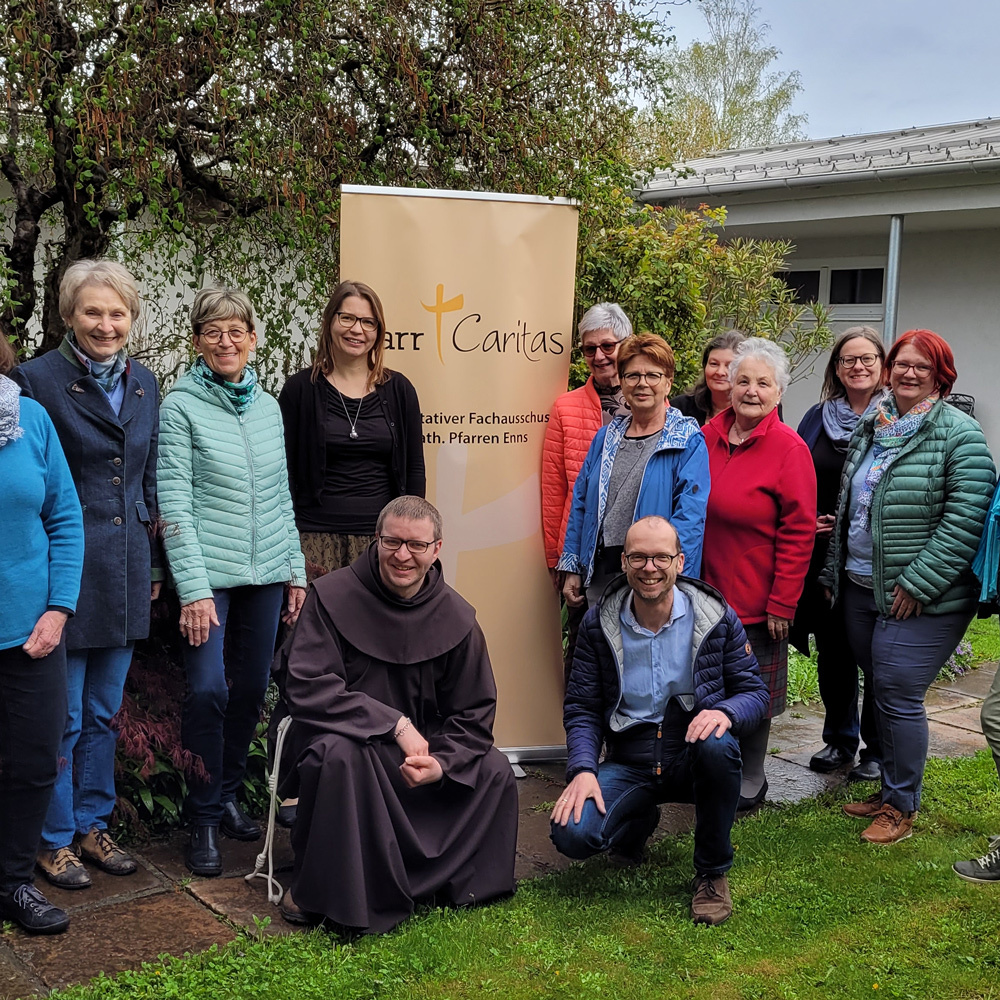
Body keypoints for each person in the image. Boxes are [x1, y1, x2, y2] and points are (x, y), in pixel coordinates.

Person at [272, 496, 518, 934]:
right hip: (346, 738)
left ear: (437, 549)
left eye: (416, 546)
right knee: (339, 757)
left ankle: (438, 880)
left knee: (496, 769)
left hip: (418, 755)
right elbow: (308, 685)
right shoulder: (332, 597)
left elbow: (474, 711)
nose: (402, 555)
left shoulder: (458, 618)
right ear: (377, 540)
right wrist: (393, 723)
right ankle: (326, 888)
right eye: (392, 542)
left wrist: (442, 762)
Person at [12, 260, 162, 890]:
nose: (106, 324)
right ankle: (51, 840)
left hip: (127, 570)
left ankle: (92, 826)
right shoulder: (35, 381)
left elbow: (147, 476)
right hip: (64, 575)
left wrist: (155, 562)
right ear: (69, 315)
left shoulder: (146, 383)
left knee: (103, 713)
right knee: (63, 718)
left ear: (132, 319)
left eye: (117, 313)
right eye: (93, 312)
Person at [820, 329, 995, 845]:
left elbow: (966, 519)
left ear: (942, 374)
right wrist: (834, 571)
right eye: (902, 364)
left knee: (896, 689)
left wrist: (919, 581)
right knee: (880, 685)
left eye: (923, 366)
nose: (910, 373)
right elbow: (850, 504)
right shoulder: (876, 425)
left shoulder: (959, 434)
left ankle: (901, 804)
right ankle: (889, 789)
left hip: (923, 594)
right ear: (889, 369)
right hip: (859, 585)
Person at [550, 516, 768, 925]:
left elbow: (755, 694)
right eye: (638, 557)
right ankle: (638, 818)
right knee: (572, 834)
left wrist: (724, 711)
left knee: (718, 744)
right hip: (630, 757)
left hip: (693, 752)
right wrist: (582, 769)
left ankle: (711, 873)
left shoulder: (716, 618)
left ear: (679, 562)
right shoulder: (598, 624)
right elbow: (581, 706)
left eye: (661, 557)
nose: (650, 567)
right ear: (624, 563)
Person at [158, 287, 307, 876]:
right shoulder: (180, 407)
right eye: (214, 331)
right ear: (197, 341)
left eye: (237, 331)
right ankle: (201, 818)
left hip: (266, 573)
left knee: (248, 689)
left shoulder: (269, 407)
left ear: (253, 338)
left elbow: (279, 497)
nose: (226, 341)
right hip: (209, 578)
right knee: (207, 690)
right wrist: (193, 589)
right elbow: (173, 504)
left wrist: (293, 569)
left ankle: (224, 799)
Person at [701, 337, 816, 810]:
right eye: (742, 380)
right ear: (728, 386)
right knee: (707, 683)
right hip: (703, 591)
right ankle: (709, 767)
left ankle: (752, 775)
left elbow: (800, 531)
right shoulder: (704, 435)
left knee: (754, 690)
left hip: (756, 598)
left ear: (778, 392)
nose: (751, 390)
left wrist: (783, 602)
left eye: (762, 383)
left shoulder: (789, 449)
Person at [0, 337, 84, 934]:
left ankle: (11, 885)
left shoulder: (30, 418)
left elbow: (65, 517)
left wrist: (57, 610)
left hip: (29, 633)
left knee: (32, 764)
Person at [278, 280, 424, 582]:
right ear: (330, 321)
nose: (357, 330)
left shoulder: (400, 390)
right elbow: (283, 473)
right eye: (347, 318)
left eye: (368, 322)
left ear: (378, 331)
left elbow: (414, 470)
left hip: (382, 542)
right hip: (313, 539)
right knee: (315, 628)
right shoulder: (299, 391)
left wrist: (408, 538)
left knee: (379, 628)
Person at [792, 328, 886, 781]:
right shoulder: (816, 417)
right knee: (833, 653)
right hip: (824, 557)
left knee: (876, 654)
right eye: (848, 360)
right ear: (836, 369)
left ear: (882, 364)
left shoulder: (897, 417)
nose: (858, 367)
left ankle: (877, 750)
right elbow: (793, 475)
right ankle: (840, 740)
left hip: (875, 558)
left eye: (867, 358)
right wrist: (806, 518)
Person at [557, 333, 710, 610]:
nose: (642, 384)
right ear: (623, 382)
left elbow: (690, 517)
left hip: (654, 577)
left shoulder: (686, 439)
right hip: (603, 575)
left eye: (653, 375)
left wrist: (668, 575)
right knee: (600, 652)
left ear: (668, 382)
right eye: (632, 375)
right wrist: (572, 565)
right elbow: (580, 503)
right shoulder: (606, 437)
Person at [541, 302, 632, 680]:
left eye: (607, 346)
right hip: (583, 554)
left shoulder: (651, 401)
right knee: (584, 653)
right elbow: (553, 490)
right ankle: (582, 738)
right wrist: (555, 561)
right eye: (589, 349)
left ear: (627, 344)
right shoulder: (566, 407)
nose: (598, 356)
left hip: (635, 548)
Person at [671, 331, 745, 426]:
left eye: (729, 365)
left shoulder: (750, 413)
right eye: (714, 364)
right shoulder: (680, 408)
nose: (720, 372)